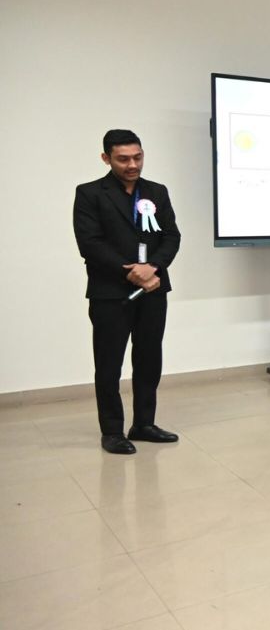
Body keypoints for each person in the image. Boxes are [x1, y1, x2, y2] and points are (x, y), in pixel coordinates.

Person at [72, 129, 182, 455]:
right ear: (106, 158)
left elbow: (171, 236)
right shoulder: (90, 193)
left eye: (138, 157)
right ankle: (112, 431)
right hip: (110, 293)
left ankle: (144, 424)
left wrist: (153, 267)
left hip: (153, 289)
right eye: (123, 159)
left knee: (149, 358)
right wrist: (131, 271)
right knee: (109, 364)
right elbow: (90, 244)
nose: (132, 164)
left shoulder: (156, 192)